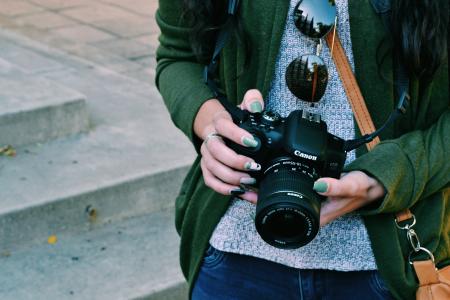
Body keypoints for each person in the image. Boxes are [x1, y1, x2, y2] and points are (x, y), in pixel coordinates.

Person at [155, 0, 449, 299]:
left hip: (385, 266)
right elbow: (178, 55)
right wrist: (213, 125)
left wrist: (390, 174)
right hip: (232, 256)